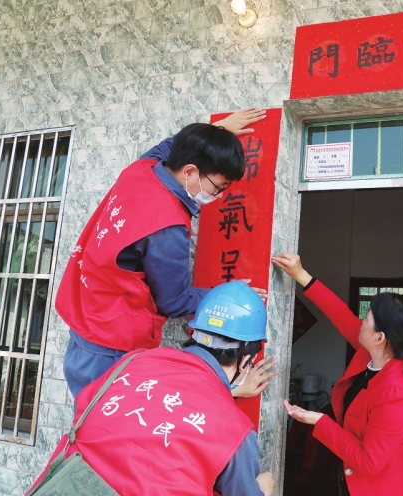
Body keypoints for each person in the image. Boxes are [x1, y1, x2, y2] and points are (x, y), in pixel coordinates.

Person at [56, 109, 270, 399]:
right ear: (189, 171)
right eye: (218, 187)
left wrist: (214, 132)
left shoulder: (141, 170)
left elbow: (168, 146)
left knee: (86, 412)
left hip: (85, 320)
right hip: (111, 345)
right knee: (107, 420)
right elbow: (174, 301)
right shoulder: (167, 227)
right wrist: (225, 296)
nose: (219, 196)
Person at [28, 281, 275, 496]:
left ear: (194, 333)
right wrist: (262, 488)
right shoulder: (236, 433)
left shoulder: (133, 361)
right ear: (245, 361)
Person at [272, 252, 403, 496]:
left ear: (380, 337)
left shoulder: (396, 394)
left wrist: (319, 421)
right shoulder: (376, 351)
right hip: (350, 479)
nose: (360, 322)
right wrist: (301, 275)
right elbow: (340, 315)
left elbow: (368, 461)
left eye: (366, 318)